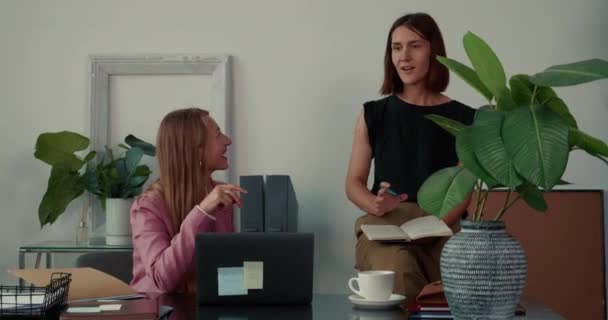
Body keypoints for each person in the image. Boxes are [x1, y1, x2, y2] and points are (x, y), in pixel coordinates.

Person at [345, 13, 476, 300]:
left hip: (444, 225)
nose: (404, 56)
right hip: (386, 227)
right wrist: (375, 204)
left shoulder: (466, 119)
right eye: (396, 47)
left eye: (415, 46)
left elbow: (463, 193)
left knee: (472, 273)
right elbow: (353, 183)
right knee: (397, 269)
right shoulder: (372, 115)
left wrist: (433, 227)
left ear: (434, 52)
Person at [130, 108, 246, 293]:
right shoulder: (148, 206)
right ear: (195, 150)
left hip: (205, 310)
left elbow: (225, 272)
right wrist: (202, 212)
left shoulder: (221, 195)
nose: (227, 140)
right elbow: (161, 279)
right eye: (217, 134)